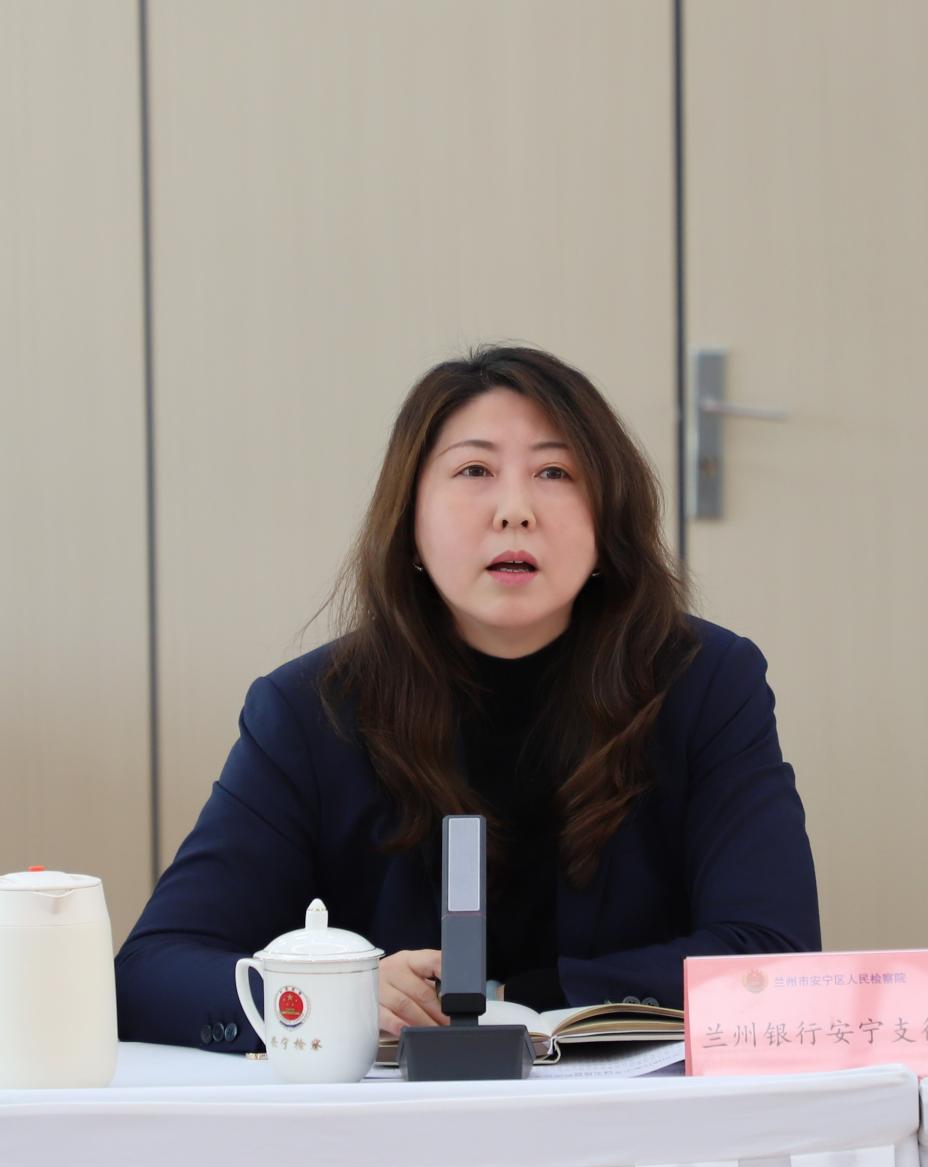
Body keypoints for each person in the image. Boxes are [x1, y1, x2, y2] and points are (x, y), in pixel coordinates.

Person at [115, 345, 820, 1052]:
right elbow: (152, 971)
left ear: (609, 517)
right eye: (474, 471)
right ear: (410, 521)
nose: (515, 511)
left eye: (555, 472)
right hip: (394, 1116)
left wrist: (516, 1001)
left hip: (632, 1105)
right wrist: (331, 995)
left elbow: (775, 957)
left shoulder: (705, 683)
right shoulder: (310, 710)